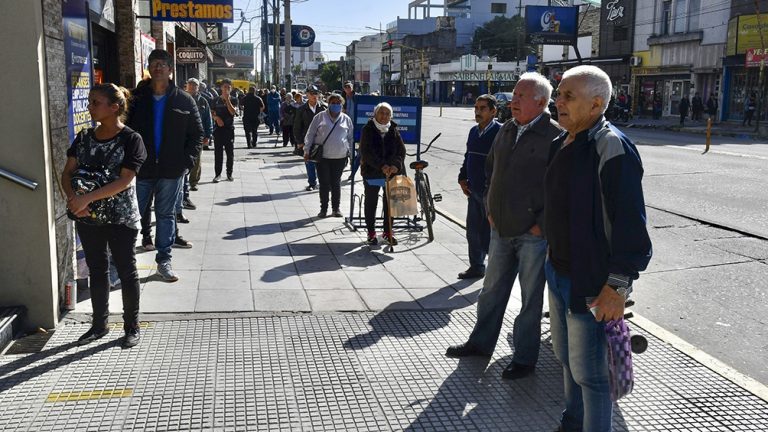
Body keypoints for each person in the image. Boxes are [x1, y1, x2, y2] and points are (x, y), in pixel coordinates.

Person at [547, 65, 652, 432]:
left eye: (567, 96)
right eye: (558, 94)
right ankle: (571, 422)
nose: (557, 101)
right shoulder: (565, 141)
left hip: (593, 282)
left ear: (595, 105)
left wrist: (617, 286)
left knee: (592, 376)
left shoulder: (611, 146)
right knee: (565, 358)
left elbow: (631, 226)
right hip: (557, 273)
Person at [445, 73, 563, 382]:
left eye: (521, 96)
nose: (514, 101)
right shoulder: (507, 129)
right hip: (500, 228)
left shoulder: (555, 135)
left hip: (533, 235)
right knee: (491, 291)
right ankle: (480, 343)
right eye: (514, 95)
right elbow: (490, 168)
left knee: (529, 300)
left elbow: (561, 189)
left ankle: (524, 358)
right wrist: (490, 209)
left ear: (541, 101)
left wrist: (541, 226)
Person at [62, 83, 146, 348]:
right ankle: (99, 325)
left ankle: (131, 326)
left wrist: (85, 198)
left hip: (121, 218)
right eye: (89, 102)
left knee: (126, 270)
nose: (90, 107)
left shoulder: (131, 139)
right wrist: (74, 200)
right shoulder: (84, 137)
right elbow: (67, 173)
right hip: (88, 217)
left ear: (115, 107)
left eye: (95, 102)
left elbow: (125, 180)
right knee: (97, 270)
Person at [127, 49, 203, 282]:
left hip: (171, 171)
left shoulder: (184, 99)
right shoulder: (136, 98)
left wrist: (186, 163)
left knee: (165, 215)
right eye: (154, 63)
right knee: (132, 215)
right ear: (149, 68)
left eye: (163, 64)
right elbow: (124, 130)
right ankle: (124, 262)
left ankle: (164, 260)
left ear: (171, 70)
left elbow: (197, 134)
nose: (158, 67)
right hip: (141, 169)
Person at [456, 94, 501, 279]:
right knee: (473, 231)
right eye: (476, 108)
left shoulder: (500, 132)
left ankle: (495, 270)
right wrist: (462, 177)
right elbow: (469, 156)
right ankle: (476, 266)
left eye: (482, 108)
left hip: (491, 192)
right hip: (473, 189)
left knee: (490, 232)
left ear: (493, 111)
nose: (478, 112)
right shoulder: (474, 131)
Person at [359, 102, 406, 245]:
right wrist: (381, 166)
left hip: (390, 174)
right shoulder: (368, 129)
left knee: (390, 204)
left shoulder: (393, 129)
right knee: (371, 202)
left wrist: (395, 166)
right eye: (381, 113)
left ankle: (388, 232)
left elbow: (401, 151)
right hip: (372, 173)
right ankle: (371, 233)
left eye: (387, 114)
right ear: (375, 114)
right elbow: (366, 152)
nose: (384, 116)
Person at [303, 93, 354, 218]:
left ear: (341, 104)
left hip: (340, 157)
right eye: (333, 102)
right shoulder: (320, 117)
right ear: (328, 103)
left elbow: (351, 138)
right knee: (324, 183)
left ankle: (336, 208)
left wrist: (353, 154)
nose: (336, 105)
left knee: (336, 183)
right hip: (323, 157)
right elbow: (310, 134)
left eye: (338, 103)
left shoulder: (346, 119)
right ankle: (323, 208)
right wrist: (306, 150)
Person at [294, 85, 326, 191]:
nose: (314, 96)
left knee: (322, 163)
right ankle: (312, 183)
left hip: (323, 140)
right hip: (308, 140)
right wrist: (299, 141)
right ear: (307, 95)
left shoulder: (324, 108)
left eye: (316, 93)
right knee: (309, 162)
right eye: (312, 94)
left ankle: (323, 183)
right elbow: (297, 127)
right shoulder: (302, 110)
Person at [184, 78, 212, 194]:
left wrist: (208, 135)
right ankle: (184, 180)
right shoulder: (181, 99)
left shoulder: (203, 101)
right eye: (190, 86)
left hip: (198, 135)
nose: (192, 88)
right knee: (184, 158)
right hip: (183, 134)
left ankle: (193, 182)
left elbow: (207, 118)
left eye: (194, 86)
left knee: (197, 159)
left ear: (198, 87)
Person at [211, 78, 239, 182]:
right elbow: (212, 112)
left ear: (231, 88)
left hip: (229, 130)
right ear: (221, 88)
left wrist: (227, 100)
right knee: (218, 153)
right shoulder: (215, 100)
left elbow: (232, 112)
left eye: (228, 87)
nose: (226, 89)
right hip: (218, 130)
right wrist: (216, 118)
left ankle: (229, 174)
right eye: (224, 87)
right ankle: (217, 174)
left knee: (230, 153)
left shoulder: (234, 99)